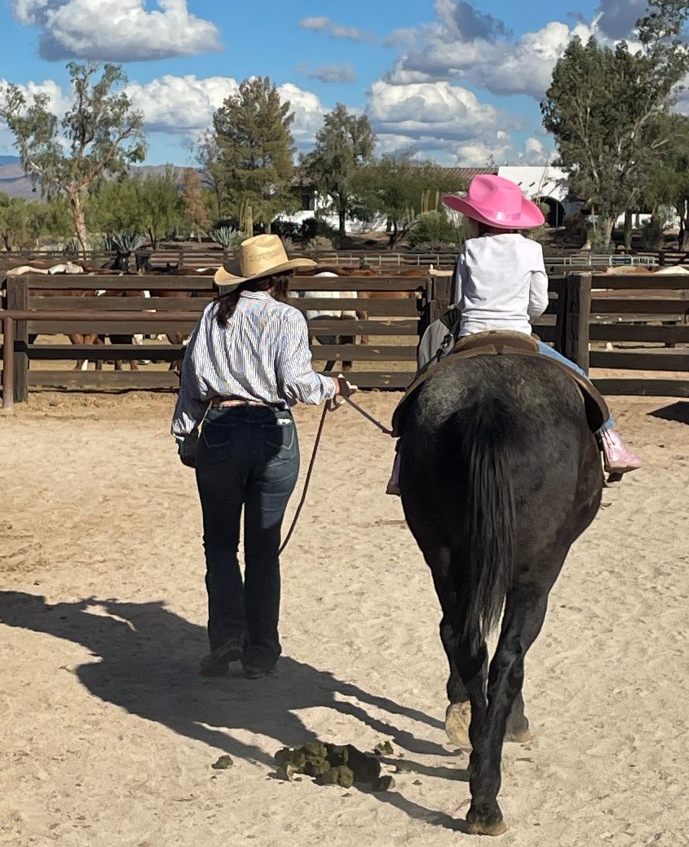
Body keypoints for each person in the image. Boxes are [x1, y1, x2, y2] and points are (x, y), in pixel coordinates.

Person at [386, 175, 641, 494]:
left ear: (477, 219)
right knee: (578, 376)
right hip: (519, 333)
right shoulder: (531, 249)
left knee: (423, 385)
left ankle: (400, 465)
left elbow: (461, 300)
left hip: (471, 336)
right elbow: (540, 302)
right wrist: (521, 315)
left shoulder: (469, 248)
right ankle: (611, 441)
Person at [171, 234, 354, 679]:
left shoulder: (212, 315)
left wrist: (184, 436)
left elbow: (192, 383)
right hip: (274, 432)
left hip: (220, 430)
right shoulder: (288, 318)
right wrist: (332, 388)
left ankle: (227, 636)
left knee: (219, 544)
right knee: (264, 549)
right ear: (281, 278)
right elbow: (296, 382)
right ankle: (261, 652)